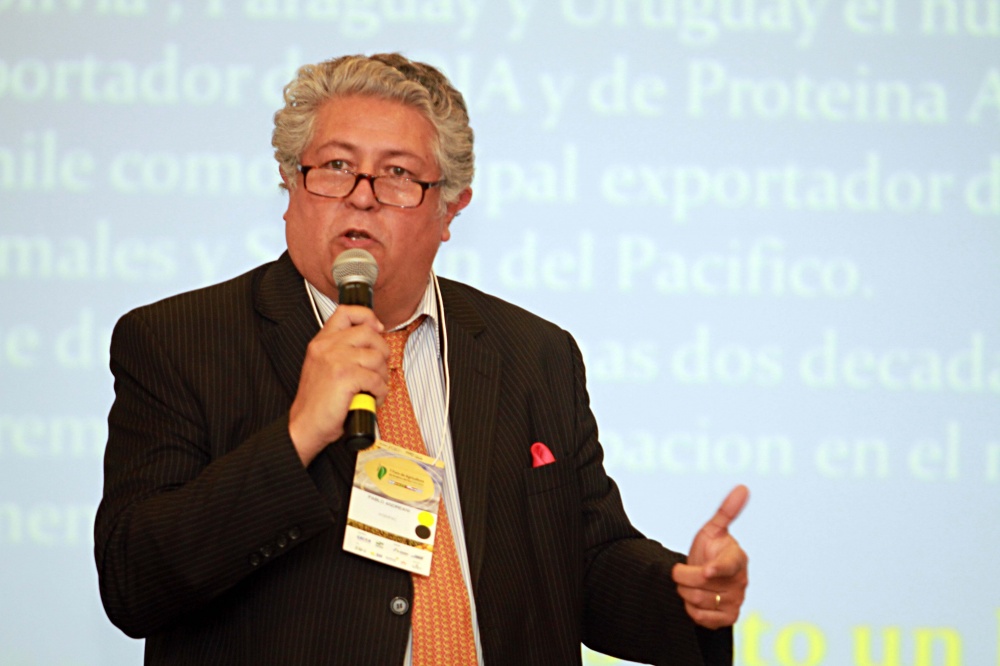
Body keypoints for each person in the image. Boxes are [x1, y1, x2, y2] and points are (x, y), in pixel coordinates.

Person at [95, 53, 749, 665]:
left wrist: (688, 596)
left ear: (450, 209)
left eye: (398, 175)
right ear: (291, 185)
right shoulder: (178, 341)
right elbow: (134, 581)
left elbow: (583, 564)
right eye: (335, 166)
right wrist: (298, 436)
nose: (361, 195)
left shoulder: (535, 354)